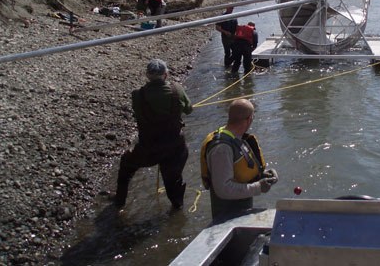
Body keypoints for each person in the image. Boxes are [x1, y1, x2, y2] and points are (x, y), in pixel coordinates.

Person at [113, 59, 193, 209]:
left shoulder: (137, 95)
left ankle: (119, 204)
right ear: (166, 75)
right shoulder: (177, 89)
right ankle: (177, 209)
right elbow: (189, 110)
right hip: (175, 147)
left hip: (149, 148)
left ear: (147, 75)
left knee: (126, 164)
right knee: (173, 180)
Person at [200, 99, 278, 223]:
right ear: (249, 119)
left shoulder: (236, 138)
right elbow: (223, 189)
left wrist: (262, 176)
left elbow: (240, 171)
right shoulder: (222, 149)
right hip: (226, 217)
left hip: (241, 211)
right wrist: (258, 187)